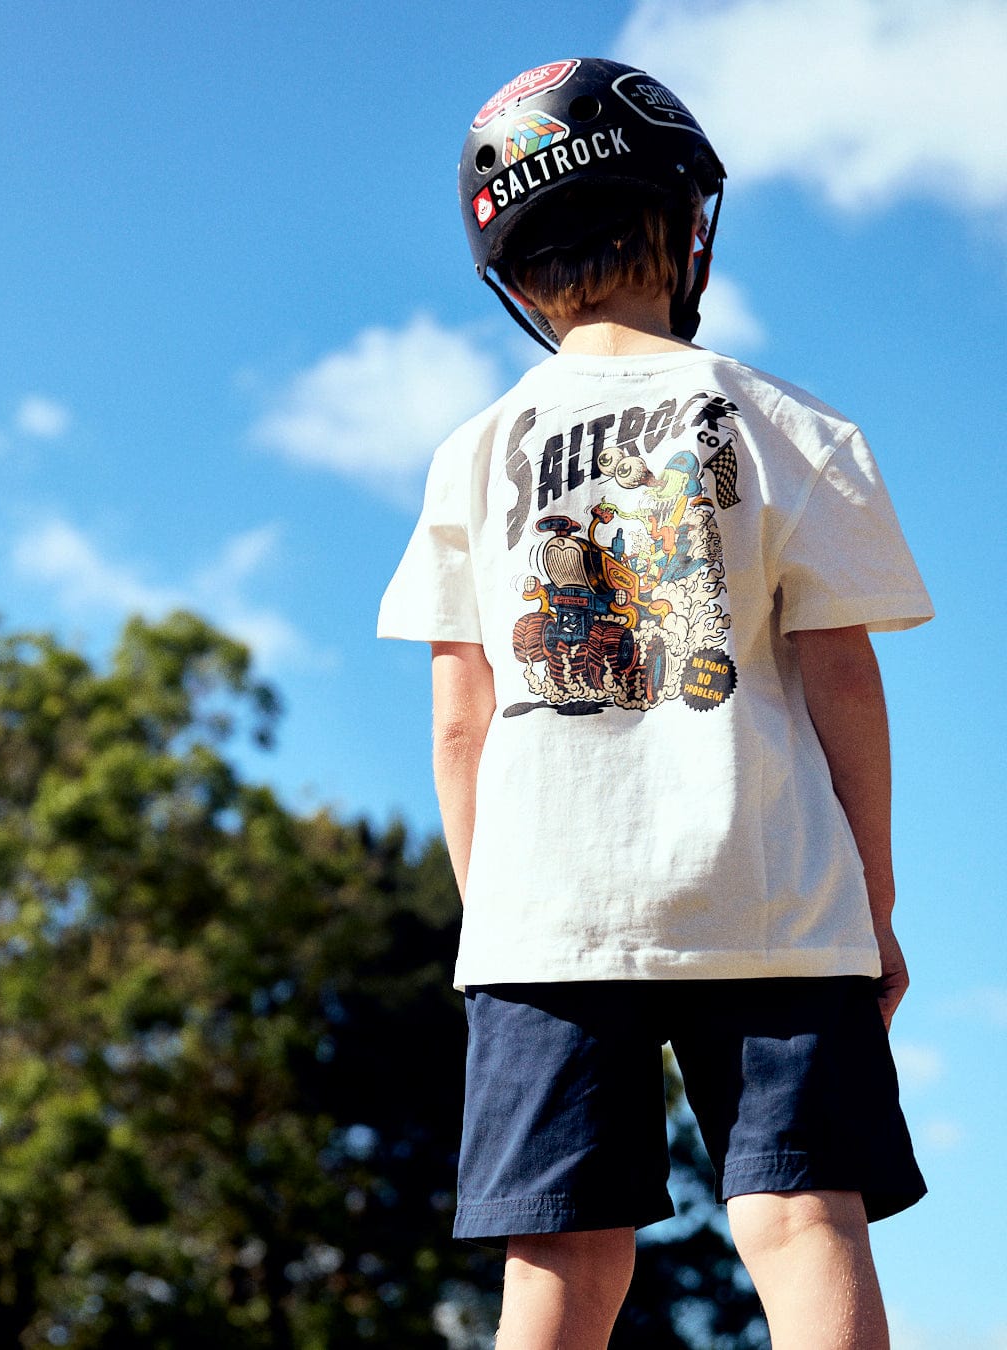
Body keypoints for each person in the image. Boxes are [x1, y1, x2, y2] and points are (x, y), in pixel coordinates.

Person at [377, 56, 933, 1349]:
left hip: (548, 915)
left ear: (511, 274)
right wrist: (876, 899)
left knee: (560, 1265)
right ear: (689, 224)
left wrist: (494, 917)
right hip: (776, 889)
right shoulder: (792, 428)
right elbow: (846, 680)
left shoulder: (472, 459)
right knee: (804, 1222)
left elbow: (461, 717)